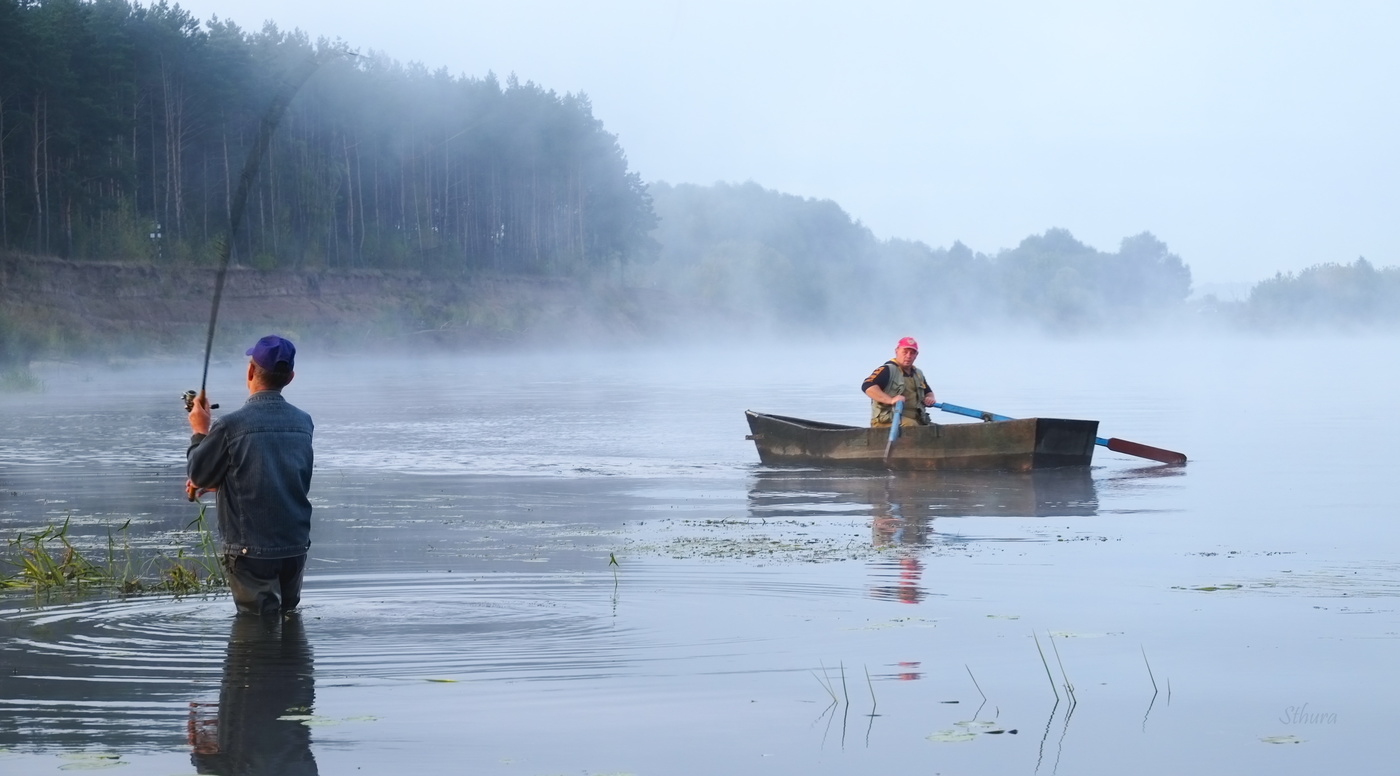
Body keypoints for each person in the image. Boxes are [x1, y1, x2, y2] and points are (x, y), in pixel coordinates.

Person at [187, 334, 315, 616]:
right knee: (288, 622)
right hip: (294, 546)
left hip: (250, 552)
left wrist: (199, 430)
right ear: (290, 377)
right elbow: (278, 472)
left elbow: (197, 473)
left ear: (249, 371)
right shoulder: (304, 423)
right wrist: (224, 482)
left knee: (257, 631)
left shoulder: (230, 426)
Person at [861, 336, 936, 427]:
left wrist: (930, 398)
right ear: (896, 351)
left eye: (912, 353)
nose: (908, 356)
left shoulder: (918, 373)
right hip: (888, 419)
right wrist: (891, 400)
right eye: (905, 352)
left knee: (937, 430)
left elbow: (928, 392)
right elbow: (868, 387)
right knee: (912, 426)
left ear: (916, 355)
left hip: (917, 419)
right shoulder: (887, 370)